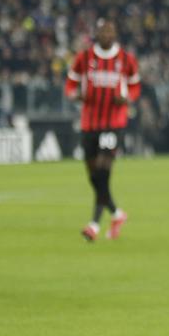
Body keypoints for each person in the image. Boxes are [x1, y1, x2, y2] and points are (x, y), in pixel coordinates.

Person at [64, 19, 140, 241]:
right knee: (94, 175)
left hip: (113, 123)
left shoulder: (126, 59)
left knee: (103, 171)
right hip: (89, 123)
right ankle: (116, 213)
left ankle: (94, 225)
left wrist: (126, 98)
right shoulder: (84, 58)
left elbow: (135, 86)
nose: (107, 34)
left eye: (110, 30)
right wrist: (75, 95)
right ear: (96, 34)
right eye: (103, 31)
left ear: (115, 33)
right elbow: (70, 84)